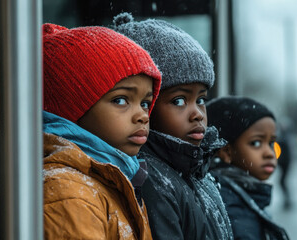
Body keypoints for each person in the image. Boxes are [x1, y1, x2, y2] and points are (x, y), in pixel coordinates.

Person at [113, 13, 233, 240]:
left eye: (201, 100)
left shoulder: (195, 170)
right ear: (145, 107)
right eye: (179, 101)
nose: (197, 113)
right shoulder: (150, 181)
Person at [41, 23, 161, 239]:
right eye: (121, 100)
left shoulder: (115, 177)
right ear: (71, 109)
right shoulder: (67, 191)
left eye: (145, 103)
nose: (142, 115)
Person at [206, 96, 289, 240]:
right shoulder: (231, 208)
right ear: (226, 152)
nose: (269, 154)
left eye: (271, 143)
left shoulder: (241, 197)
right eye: (256, 143)